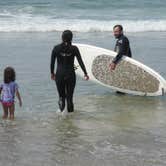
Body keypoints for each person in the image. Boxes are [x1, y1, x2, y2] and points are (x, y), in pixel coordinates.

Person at [50, 30, 89, 113]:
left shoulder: (56, 48)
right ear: (71, 38)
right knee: (69, 98)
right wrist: (85, 73)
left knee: (61, 97)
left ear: (62, 37)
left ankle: (61, 115)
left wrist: (52, 73)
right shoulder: (74, 49)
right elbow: (80, 62)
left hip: (59, 75)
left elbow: (52, 63)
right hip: (70, 75)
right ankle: (71, 119)